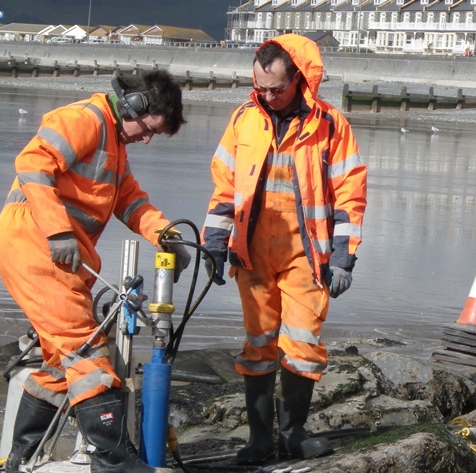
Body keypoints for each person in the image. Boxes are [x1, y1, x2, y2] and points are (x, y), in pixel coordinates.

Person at [0, 70, 190, 473]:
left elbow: (131, 202)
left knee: (59, 363)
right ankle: (115, 462)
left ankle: (21, 458)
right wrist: (60, 229)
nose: (147, 138)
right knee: (85, 351)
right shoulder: (85, 119)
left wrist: (166, 235)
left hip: (57, 253)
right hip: (35, 242)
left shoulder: (115, 142)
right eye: (147, 129)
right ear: (133, 106)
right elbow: (31, 163)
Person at [201, 34, 368, 465]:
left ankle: (293, 433)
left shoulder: (329, 125)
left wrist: (345, 258)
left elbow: (350, 195)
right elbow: (224, 188)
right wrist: (213, 244)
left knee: (303, 343)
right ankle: (259, 440)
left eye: (276, 88)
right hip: (251, 254)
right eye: (261, 88)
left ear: (298, 78)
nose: (269, 97)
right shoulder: (243, 119)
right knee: (258, 344)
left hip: (306, 257)